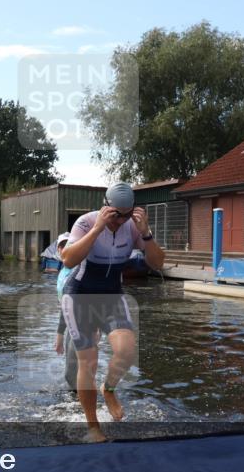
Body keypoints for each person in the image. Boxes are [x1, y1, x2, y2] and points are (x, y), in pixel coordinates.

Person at [60, 182, 165, 441]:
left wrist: (146, 234)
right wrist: (97, 229)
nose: (120, 221)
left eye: (126, 215)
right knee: (89, 362)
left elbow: (157, 263)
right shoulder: (86, 222)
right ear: (105, 206)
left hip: (111, 296)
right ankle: (93, 426)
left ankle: (109, 390)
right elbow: (68, 260)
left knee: (127, 351)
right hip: (80, 295)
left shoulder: (133, 227)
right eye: (115, 214)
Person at [51, 233, 78, 390]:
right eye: (62, 245)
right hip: (71, 324)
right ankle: (78, 404)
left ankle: (84, 407)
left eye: (70, 244)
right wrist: (60, 333)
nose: (66, 248)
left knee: (72, 373)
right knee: (72, 374)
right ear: (58, 250)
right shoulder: (63, 271)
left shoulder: (79, 269)